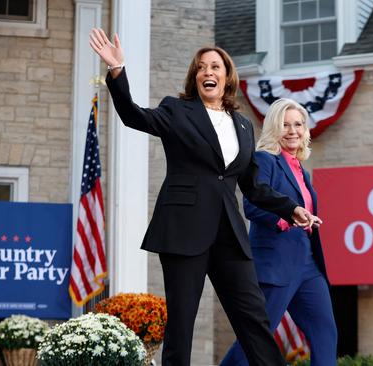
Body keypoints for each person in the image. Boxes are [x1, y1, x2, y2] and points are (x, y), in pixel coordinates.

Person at [89, 29, 322, 366]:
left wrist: (291, 207)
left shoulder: (243, 125)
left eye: (215, 67)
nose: (207, 72)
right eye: (200, 67)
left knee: (253, 319)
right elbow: (133, 115)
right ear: (195, 77)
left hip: (229, 233)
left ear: (227, 77)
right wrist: (117, 70)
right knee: (182, 324)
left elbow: (253, 186)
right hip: (184, 230)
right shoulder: (177, 111)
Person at [220, 98, 337, 366]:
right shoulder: (265, 160)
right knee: (256, 338)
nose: (293, 130)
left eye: (298, 124)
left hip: (308, 266)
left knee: (325, 333)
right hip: (276, 265)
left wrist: (305, 220)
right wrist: (288, 218)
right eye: (285, 125)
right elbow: (252, 205)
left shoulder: (302, 171)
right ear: (274, 128)